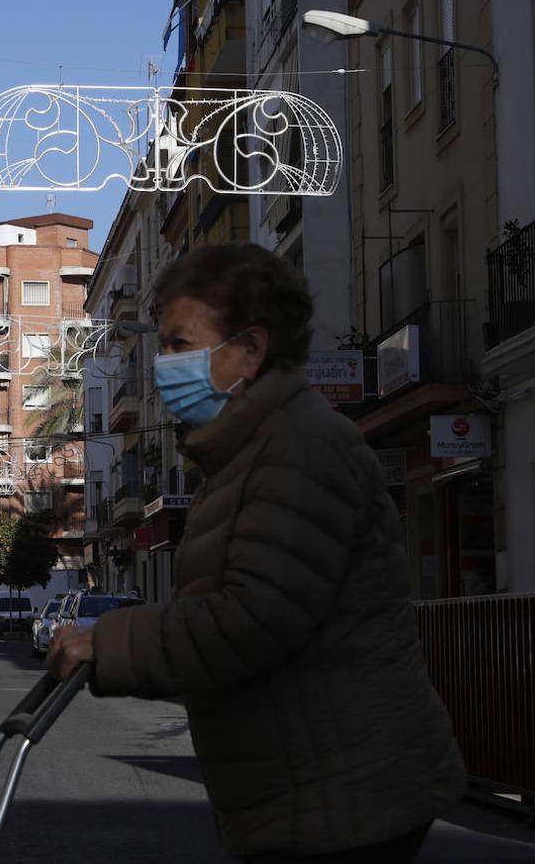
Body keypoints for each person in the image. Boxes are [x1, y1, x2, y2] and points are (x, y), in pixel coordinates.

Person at [49, 244, 466, 864]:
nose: (165, 365)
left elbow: (251, 620)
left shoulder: (300, 450)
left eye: (181, 343)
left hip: (344, 799)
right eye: (164, 346)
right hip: (310, 791)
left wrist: (110, 644)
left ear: (249, 350)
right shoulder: (247, 454)